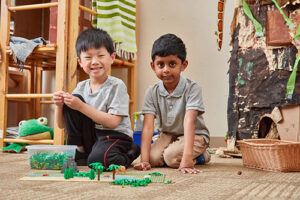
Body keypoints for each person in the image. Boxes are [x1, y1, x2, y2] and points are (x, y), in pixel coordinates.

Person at [53, 28, 140, 168]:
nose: (94, 61)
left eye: (100, 55)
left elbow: (113, 123)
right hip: (93, 136)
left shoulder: (117, 86)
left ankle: (131, 152)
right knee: (73, 99)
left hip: (115, 135)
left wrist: (80, 106)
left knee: (99, 161)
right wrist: (59, 106)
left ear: (112, 58)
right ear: (80, 62)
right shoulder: (80, 87)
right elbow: (62, 125)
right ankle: (80, 150)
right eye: (88, 57)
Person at [134, 33, 210, 174]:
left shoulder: (193, 88)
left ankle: (201, 156)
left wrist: (187, 158)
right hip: (168, 135)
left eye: (172, 64)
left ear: (183, 65)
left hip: (196, 135)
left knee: (171, 158)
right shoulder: (152, 91)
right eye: (160, 64)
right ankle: (175, 151)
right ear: (153, 66)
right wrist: (144, 161)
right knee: (153, 159)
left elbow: (189, 121)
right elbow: (148, 127)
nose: (166, 70)